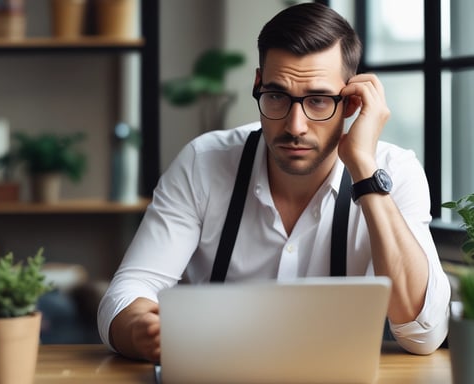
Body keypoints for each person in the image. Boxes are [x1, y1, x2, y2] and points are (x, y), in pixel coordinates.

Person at [98, 2, 450, 362]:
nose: (295, 126)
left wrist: (363, 170)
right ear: (257, 85)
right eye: (278, 96)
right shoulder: (203, 163)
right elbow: (127, 293)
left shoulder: (394, 172)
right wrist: (140, 329)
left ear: (350, 103)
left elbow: (422, 333)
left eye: (318, 100)